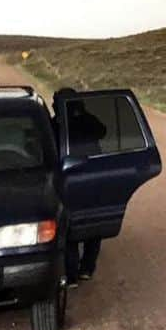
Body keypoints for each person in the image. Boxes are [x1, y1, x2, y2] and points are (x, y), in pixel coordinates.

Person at [53, 88, 107, 283]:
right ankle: (86, 268)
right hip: (92, 178)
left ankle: (72, 274)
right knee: (92, 224)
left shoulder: (57, 125)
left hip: (71, 180)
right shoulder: (86, 121)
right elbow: (102, 131)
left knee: (70, 226)